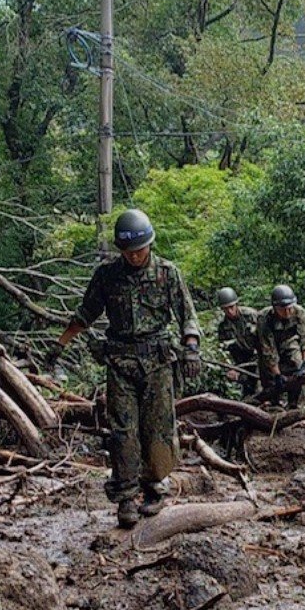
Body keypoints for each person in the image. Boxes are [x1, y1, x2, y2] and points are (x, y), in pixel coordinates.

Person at [41, 210, 201, 528]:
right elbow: (85, 314)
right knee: (123, 432)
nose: (134, 256)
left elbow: (188, 315)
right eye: (128, 251)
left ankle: (154, 487)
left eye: (139, 250)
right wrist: (60, 345)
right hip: (120, 363)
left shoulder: (168, 274)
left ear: (150, 245)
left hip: (157, 363)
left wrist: (192, 347)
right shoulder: (107, 276)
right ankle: (126, 497)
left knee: (158, 429)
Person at [256, 283, 305, 408]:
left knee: (297, 363)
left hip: (290, 344)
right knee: (270, 378)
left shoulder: (301, 313)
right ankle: (272, 404)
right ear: (275, 307)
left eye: (290, 307)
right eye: (283, 309)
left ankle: (296, 404)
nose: (287, 311)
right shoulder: (264, 318)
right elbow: (268, 350)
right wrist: (277, 374)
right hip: (269, 348)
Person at [214, 288, 260, 398]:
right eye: (226, 309)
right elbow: (224, 351)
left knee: (261, 385)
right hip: (240, 361)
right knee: (245, 387)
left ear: (236, 304)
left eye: (231, 307)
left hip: (259, 356)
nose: (230, 311)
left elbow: (266, 338)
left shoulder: (252, 315)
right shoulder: (223, 326)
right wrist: (230, 368)